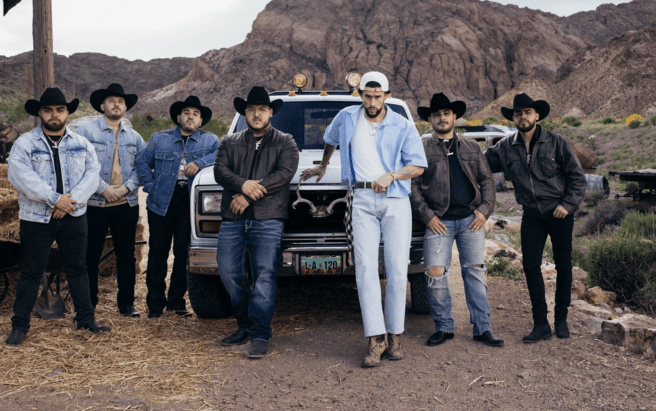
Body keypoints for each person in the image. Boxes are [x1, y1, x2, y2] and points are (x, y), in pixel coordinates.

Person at [300, 72, 427, 367]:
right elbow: (330, 139)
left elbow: (418, 165)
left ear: (387, 94)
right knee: (366, 268)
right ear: (360, 95)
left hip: (395, 199)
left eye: (377, 96)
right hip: (360, 198)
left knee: (397, 269)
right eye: (367, 96)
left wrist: (392, 174)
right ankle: (375, 339)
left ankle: (396, 336)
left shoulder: (402, 124)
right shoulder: (346, 116)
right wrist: (323, 164)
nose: (371, 102)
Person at [6, 87, 108, 345]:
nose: (54, 115)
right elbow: (20, 177)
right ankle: (20, 326)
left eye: (60, 110)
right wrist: (55, 199)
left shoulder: (81, 144)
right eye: (48, 110)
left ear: (67, 113)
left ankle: (86, 319)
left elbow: (92, 176)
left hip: (74, 216)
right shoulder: (25, 143)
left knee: (77, 269)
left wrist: (69, 203)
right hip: (36, 219)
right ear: (39, 113)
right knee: (31, 271)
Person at [484, 93, 586, 343]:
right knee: (531, 267)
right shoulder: (505, 147)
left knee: (563, 265)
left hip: (559, 213)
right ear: (513, 118)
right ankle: (541, 324)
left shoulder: (556, 142)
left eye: (527, 112)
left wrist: (568, 204)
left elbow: (577, 177)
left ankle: (561, 318)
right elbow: (479, 163)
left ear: (537, 115)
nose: (522, 117)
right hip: (531, 214)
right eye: (518, 113)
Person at [411, 93, 503, 348]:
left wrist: (484, 211)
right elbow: (414, 185)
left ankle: (483, 328)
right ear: (430, 119)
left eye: (446, 113)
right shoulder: (422, 148)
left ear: (454, 117)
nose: (442, 118)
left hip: (470, 220)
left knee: (475, 273)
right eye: (437, 114)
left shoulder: (472, 147)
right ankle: (443, 327)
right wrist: (427, 215)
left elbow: (487, 181)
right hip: (438, 221)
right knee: (435, 273)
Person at [214, 86, 299, 359]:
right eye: (251, 110)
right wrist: (243, 184)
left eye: (262, 109)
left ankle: (260, 334)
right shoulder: (229, 141)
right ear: (244, 113)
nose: (257, 114)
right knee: (228, 272)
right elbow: (220, 171)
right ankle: (245, 325)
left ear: (270, 112)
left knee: (264, 275)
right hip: (233, 219)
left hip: (268, 219)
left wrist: (248, 196)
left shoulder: (286, 141)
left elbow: (284, 174)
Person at [136, 96, 219, 318]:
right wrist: (151, 186)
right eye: (186, 113)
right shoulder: (158, 139)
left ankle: (176, 302)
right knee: (157, 253)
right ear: (178, 117)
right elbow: (142, 162)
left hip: (190, 203)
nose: (191, 117)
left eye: (195, 114)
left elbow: (221, 156)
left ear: (200, 121)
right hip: (160, 202)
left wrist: (199, 163)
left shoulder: (210, 141)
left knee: (182, 254)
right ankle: (155, 304)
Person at [75, 83, 146, 317]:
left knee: (126, 255)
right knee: (90, 256)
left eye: (121, 101)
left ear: (125, 107)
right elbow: (78, 167)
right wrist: (103, 189)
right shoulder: (86, 133)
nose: (117, 104)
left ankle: (126, 304)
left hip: (126, 205)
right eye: (112, 100)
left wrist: (126, 188)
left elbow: (142, 168)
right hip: (95, 204)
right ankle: (89, 305)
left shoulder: (135, 137)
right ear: (102, 105)